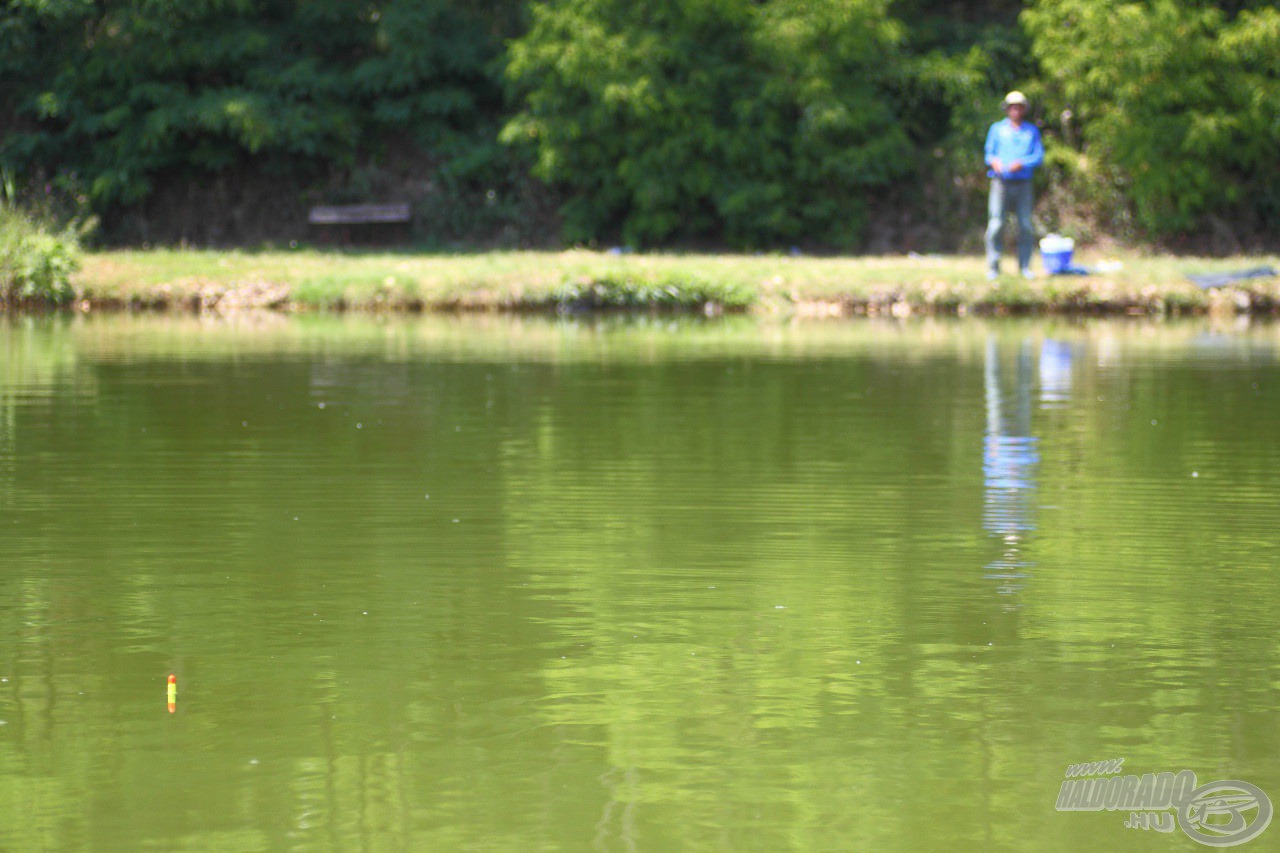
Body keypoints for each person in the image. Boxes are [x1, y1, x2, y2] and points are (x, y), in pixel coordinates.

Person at [984, 91, 1044, 279]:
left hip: (1023, 183)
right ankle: (993, 267)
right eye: (1012, 107)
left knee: (1025, 224)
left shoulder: (1031, 131)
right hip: (1000, 183)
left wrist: (1022, 163)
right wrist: (995, 162)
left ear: (1023, 109)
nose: (1015, 110)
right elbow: (989, 154)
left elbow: (1038, 156)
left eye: (1019, 107)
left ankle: (1025, 267)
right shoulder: (997, 129)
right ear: (1007, 109)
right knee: (996, 224)